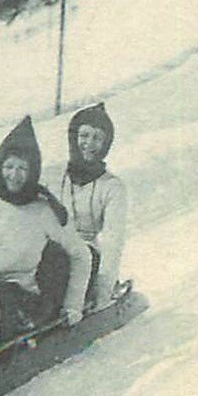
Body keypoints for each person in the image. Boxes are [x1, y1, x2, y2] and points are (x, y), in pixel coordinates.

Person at [0, 116, 92, 342]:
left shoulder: (44, 210)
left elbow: (81, 255)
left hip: (20, 297)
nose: (14, 175)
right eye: (8, 166)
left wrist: (73, 305)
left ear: (33, 171)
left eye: (23, 168)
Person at [58, 103, 129, 311]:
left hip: (87, 256)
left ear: (106, 144)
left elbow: (113, 241)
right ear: (73, 137)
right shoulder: (53, 175)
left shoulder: (112, 187)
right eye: (84, 135)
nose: (89, 144)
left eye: (97, 138)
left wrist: (103, 288)